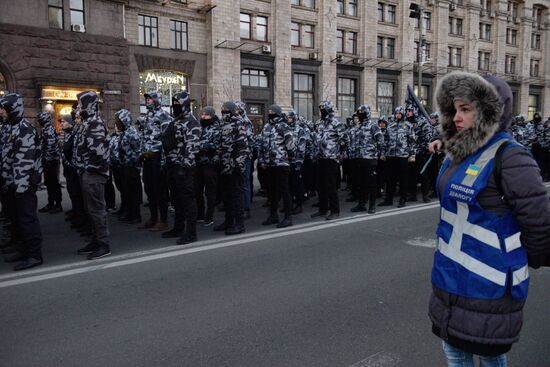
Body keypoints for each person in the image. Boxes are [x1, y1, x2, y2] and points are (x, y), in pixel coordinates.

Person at [428, 71, 550, 367]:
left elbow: (540, 225)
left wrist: (513, 263)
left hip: (490, 286)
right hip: (450, 279)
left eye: (465, 109)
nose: (456, 117)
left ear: (490, 111)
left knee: (491, 359)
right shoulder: (460, 152)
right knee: (455, 354)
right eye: (454, 109)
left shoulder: (512, 158)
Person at [0, 93, 44, 270]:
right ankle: (22, 249)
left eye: (3, 108)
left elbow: (23, 163)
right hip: (12, 184)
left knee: (27, 219)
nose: (1, 112)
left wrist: (20, 188)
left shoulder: (24, 129)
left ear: (13, 108)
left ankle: (34, 255)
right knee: (16, 219)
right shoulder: (9, 127)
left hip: (23, 185)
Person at [73, 91, 111, 260]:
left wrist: (88, 168)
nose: (78, 107)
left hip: (94, 173)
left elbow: (97, 152)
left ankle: (103, 244)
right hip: (87, 172)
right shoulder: (87, 122)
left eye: (80, 104)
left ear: (88, 105)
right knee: (91, 209)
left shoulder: (94, 123)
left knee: (97, 210)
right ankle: (95, 240)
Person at [162, 91, 201, 245]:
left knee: (187, 200)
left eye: (178, 104)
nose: (175, 107)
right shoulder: (176, 121)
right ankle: (178, 228)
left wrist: (184, 166)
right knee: (176, 200)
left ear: (185, 105)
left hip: (184, 168)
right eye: (174, 104)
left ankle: (191, 233)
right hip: (172, 166)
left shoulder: (192, 123)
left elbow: (192, 148)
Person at [214, 101, 249, 235]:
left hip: (235, 167)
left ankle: (239, 224)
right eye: (222, 109)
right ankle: (228, 222)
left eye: (226, 110)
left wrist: (238, 164)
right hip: (225, 165)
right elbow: (221, 145)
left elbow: (242, 147)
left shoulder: (238, 123)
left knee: (237, 196)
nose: (223, 111)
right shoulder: (223, 124)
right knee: (226, 196)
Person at [259, 104, 295, 228]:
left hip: (281, 163)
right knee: (272, 191)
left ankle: (288, 217)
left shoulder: (283, 126)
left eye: (272, 112)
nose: (270, 114)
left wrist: (289, 158)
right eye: (269, 112)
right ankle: (273, 215)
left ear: (278, 113)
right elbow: (262, 144)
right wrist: (262, 160)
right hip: (269, 164)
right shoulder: (267, 126)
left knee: (284, 190)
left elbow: (290, 144)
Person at [311, 100, 348, 220]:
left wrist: (339, 156)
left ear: (329, 110)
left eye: (323, 109)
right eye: (320, 109)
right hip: (321, 158)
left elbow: (345, 140)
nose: (321, 111)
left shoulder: (336, 123)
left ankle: (335, 211)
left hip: (331, 159)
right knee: (320, 185)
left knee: (330, 186)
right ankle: (322, 209)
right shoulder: (319, 123)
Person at [140, 92, 170, 232]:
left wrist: (163, 161)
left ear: (156, 100)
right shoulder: (148, 116)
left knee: (160, 190)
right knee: (149, 188)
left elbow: (166, 139)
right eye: (146, 99)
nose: (148, 101)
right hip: (148, 156)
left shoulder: (163, 116)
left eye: (150, 98)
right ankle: (153, 218)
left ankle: (163, 220)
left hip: (158, 156)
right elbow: (144, 136)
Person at [350, 105, 384, 213]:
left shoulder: (373, 126)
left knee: (371, 184)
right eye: (359, 114)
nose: (360, 116)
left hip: (370, 159)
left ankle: (372, 205)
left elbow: (380, 141)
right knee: (361, 183)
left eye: (362, 114)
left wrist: (376, 154)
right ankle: (361, 204)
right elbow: (353, 142)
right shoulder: (357, 127)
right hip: (359, 159)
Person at [380, 106, 416, 208]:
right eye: (396, 113)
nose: (398, 115)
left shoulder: (408, 126)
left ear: (403, 114)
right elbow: (385, 141)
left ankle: (402, 199)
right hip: (391, 155)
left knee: (403, 179)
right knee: (390, 178)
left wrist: (412, 154)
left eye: (400, 113)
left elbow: (412, 141)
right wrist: (383, 153)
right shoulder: (390, 126)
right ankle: (388, 199)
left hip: (403, 156)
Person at [115, 109, 142, 224]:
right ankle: (129, 213)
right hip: (124, 166)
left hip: (131, 168)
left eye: (119, 120)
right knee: (127, 192)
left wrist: (132, 163)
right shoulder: (125, 132)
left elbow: (137, 150)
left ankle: (135, 216)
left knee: (133, 192)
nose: (117, 123)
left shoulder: (132, 132)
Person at [195, 106, 221, 226]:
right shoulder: (199, 128)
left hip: (210, 163)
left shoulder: (217, 128)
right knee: (197, 190)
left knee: (210, 192)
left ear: (211, 115)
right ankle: (200, 214)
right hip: (198, 163)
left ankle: (209, 216)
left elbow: (218, 145)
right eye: (202, 114)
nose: (203, 117)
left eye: (206, 115)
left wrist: (206, 146)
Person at [37, 111, 63, 214]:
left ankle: (58, 205)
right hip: (47, 160)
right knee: (49, 183)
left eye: (40, 119)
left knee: (54, 183)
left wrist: (47, 159)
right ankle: (51, 203)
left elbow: (51, 146)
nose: (39, 121)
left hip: (51, 161)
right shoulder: (45, 129)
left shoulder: (49, 129)